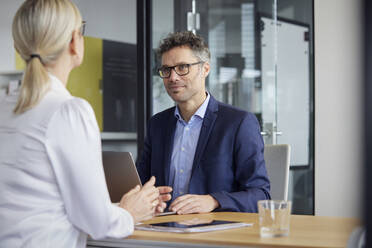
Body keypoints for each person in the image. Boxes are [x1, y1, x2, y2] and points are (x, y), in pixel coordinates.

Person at [0, 1, 170, 247]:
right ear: (73, 41)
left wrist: (117, 208)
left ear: (20, 45)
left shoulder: (5, 106)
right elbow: (97, 223)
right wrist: (130, 212)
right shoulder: (68, 111)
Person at [137, 31, 271, 214]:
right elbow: (141, 183)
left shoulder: (239, 123)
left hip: (214, 232)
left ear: (205, 69)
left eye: (183, 67)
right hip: (163, 227)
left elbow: (260, 195)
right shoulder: (157, 124)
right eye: (166, 70)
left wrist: (214, 201)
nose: (173, 77)